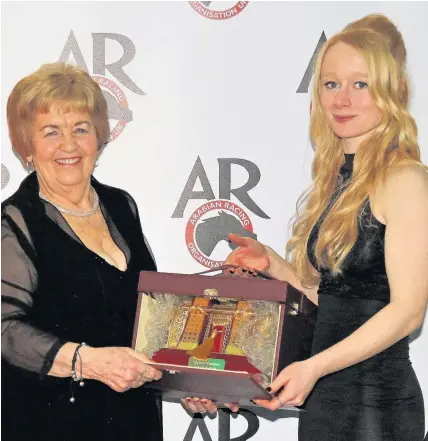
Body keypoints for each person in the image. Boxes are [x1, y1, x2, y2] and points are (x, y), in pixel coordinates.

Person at [183, 13, 428, 441]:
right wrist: (276, 266)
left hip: (377, 408)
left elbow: (408, 310)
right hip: (326, 403)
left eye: (360, 83)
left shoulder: (405, 178)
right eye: (331, 84)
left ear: (390, 92)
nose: (342, 99)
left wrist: (313, 367)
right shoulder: (340, 181)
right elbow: (341, 301)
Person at [1, 63, 164, 441]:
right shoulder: (14, 223)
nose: (69, 145)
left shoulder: (122, 206)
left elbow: (150, 316)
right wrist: (87, 361)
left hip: (134, 421)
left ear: (98, 138)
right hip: (52, 424)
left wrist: (187, 379)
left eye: (80, 129)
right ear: (28, 147)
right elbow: (5, 330)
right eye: (51, 132)